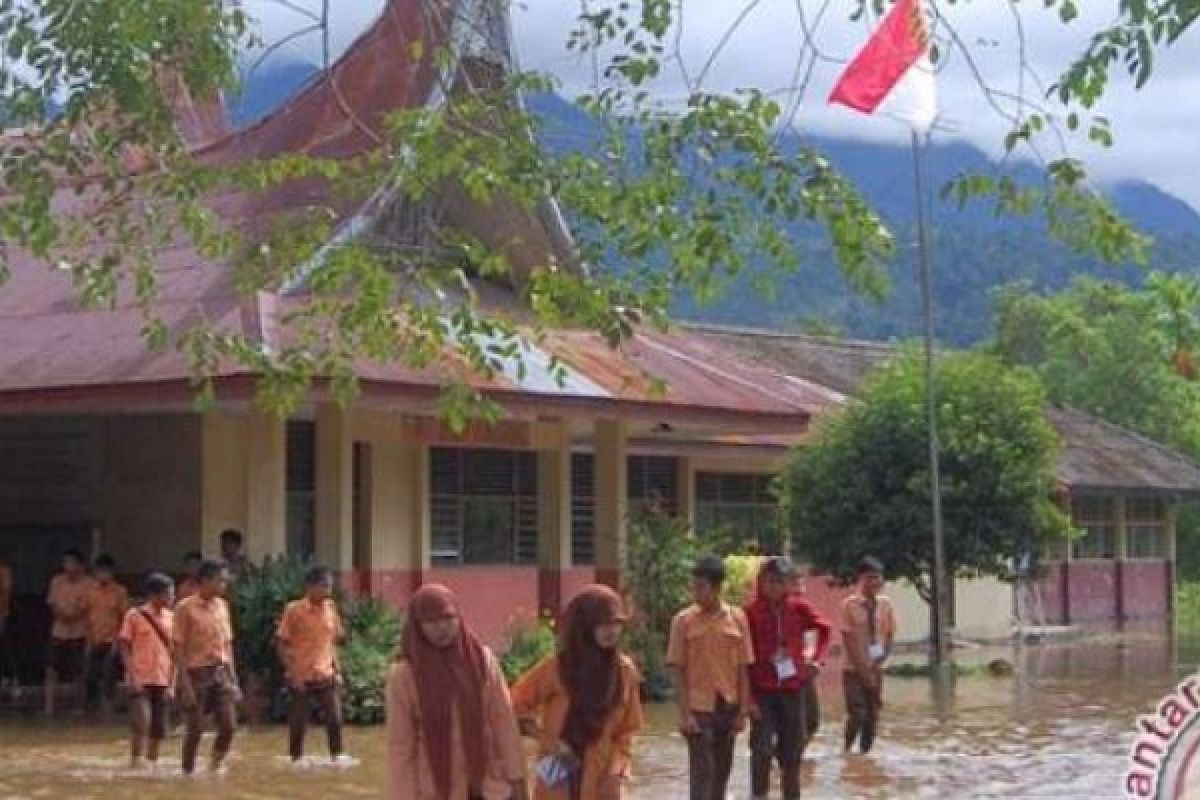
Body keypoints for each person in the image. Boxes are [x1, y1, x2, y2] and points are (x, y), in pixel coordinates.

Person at [386, 584, 527, 800]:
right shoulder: (405, 675)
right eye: (431, 622)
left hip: (488, 786)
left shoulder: (482, 661)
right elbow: (401, 745)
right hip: (435, 789)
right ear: (417, 626)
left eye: (448, 618)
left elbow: (503, 722)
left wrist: (517, 778)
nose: (442, 628)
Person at [512, 585, 644, 800]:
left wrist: (617, 771)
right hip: (559, 769)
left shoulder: (624, 672)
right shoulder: (557, 668)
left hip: (603, 775)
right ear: (584, 626)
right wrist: (549, 741)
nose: (610, 631)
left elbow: (629, 729)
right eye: (602, 624)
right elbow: (515, 706)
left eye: (616, 623)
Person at [667, 555, 755, 800]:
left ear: (717, 588)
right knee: (702, 772)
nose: (695, 593)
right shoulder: (682, 621)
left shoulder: (737, 618)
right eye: (693, 586)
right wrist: (685, 714)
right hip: (698, 708)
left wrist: (742, 712)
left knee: (721, 774)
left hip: (727, 705)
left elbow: (743, 668)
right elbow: (678, 670)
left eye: (701, 587)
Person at [744, 557, 832, 800]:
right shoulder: (750, 613)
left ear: (787, 584)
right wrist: (748, 699)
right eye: (769, 581)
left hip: (793, 689)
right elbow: (742, 660)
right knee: (761, 749)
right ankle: (758, 794)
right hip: (763, 691)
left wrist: (818, 659)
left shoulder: (798, 608)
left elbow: (825, 629)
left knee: (792, 754)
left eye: (780, 582)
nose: (774, 587)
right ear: (761, 583)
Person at [276, 565, 348, 764]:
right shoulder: (294, 610)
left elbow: (332, 642)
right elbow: (281, 643)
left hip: (326, 673)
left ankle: (337, 756)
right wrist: (291, 673)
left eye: (330, 586)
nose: (328, 591)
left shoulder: (331, 608)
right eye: (324, 586)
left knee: (335, 718)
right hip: (301, 674)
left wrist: (338, 671)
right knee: (299, 722)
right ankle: (295, 759)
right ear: (311, 587)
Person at [174, 559, 241, 775]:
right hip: (196, 673)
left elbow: (227, 644)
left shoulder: (223, 606)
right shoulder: (185, 608)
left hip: (221, 672)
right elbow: (178, 647)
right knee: (195, 730)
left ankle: (214, 765)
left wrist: (234, 680)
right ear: (205, 580)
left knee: (229, 725)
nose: (224, 585)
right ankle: (188, 771)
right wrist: (185, 685)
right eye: (221, 581)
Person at [840, 556, 898, 755]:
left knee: (872, 715)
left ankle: (865, 754)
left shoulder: (886, 604)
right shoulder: (849, 605)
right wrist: (863, 670)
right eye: (871, 577)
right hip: (853, 669)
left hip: (875, 668)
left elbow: (890, 634)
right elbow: (848, 641)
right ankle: (846, 750)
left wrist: (880, 660)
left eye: (879, 577)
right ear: (861, 578)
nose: (876, 582)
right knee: (857, 713)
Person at [118, 573, 175, 770]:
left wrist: (172, 683)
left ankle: (151, 762)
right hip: (141, 676)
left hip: (163, 677)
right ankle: (136, 761)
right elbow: (124, 646)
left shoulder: (172, 618)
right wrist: (131, 675)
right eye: (168, 593)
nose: (172, 597)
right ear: (154, 595)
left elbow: (176, 652)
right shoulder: (134, 616)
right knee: (142, 721)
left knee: (159, 728)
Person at [45, 548, 93, 716]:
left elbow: (87, 607)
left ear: (81, 565)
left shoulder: (89, 584)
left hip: (79, 632)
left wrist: (73, 615)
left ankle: (78, 707)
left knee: (78, 672)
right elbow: (51, 604)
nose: (68, 567)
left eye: (71, 563)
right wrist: (61, 614)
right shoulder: (57, 581)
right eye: (65, 563)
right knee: (51, 669)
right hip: (58, 632)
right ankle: (49, 708)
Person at [84, 555, 129, 714]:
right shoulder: (90, 592)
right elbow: (87, 617)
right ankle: (91, 709)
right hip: (94, 639)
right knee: (90, 675)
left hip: (112, 640)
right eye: (99, 572)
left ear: (112, 573)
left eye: (106, 572)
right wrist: (88, 641)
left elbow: (123, 618)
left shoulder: (120, 592)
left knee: (108, 675)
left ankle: (108, 709)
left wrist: (118, 642)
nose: (103, 575)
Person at [789, 571, 825, 756]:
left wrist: (816, 660)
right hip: (785, 676)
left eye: (801, 586)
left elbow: (816, 637)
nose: (800, 591)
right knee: (793, 725)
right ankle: (788, 759)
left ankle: (794, 756)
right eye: (795, 586)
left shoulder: (806, 611)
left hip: (805, 672)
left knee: (812, 721)